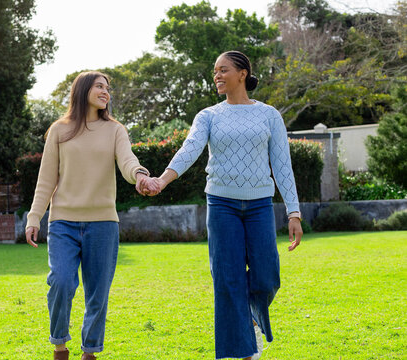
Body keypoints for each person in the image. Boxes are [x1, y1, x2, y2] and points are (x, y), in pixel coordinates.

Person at [140, 51, 303, 360]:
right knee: (228, 279)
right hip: (222, 204)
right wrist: (162, 180)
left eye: (223, 70)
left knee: (267, 277)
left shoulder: (269, 115)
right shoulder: (208, 116)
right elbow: (190, 150)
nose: (216, 75)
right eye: (214, 71)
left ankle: (252, 315)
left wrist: (293, 211)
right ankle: (246, 350)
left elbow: (282, 165)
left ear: (242, 74)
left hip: (259, 206)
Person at [25, 71, 159, 360]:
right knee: (61, 281)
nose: (105, 92)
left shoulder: (115, 130)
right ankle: (60, 346)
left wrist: (139, 176)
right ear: (82, 89)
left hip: (103, 225)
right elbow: (46, 178)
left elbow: (127, 161)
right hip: (63, 223)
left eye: (108, 88)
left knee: (97, 294)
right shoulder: (59, 130)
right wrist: (34, 216)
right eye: (99, 86)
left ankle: (90, 353)